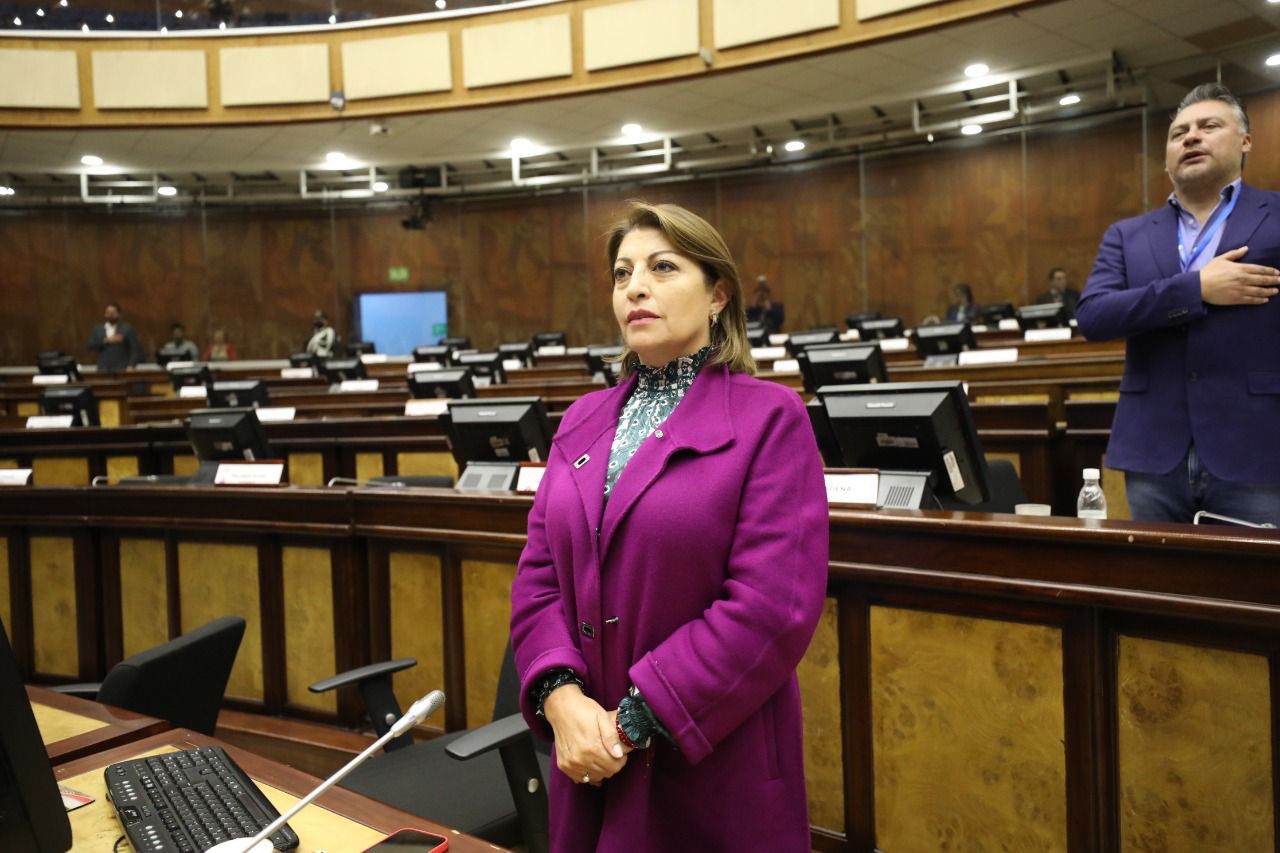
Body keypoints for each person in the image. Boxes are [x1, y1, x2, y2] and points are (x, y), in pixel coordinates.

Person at [509, 202, 829, 851]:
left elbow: (771, 607)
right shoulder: (582, 419)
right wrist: (562, 700)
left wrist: (629, 722)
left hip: (708, 761)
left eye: (662, 266)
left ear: (718, 293)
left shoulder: (771, 417)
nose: (635, 286)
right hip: (589, 763)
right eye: (622, 272)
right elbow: (538, 580)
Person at [1077, 83, 1280, 524]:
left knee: (1256, 590)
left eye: (1209, 126)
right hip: (1153, 451)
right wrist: (1196, 289)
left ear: (1245, 142)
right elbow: (1093, 315)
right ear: (1168, 158)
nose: (1191, 137)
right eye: (1178, 133)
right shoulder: (1127, 235)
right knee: (1159, 586)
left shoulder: (1277, 216)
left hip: (1258, 447)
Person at [86, 302, 141, 372]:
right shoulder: (98, 329)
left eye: (113, 312)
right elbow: (90, 345)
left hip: (123, 367)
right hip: (103, 368)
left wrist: (132, 365)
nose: (110, 315)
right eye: (108, 312)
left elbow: (135, 348)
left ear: (119, 314)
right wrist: (106, 340)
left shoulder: (127, 329)